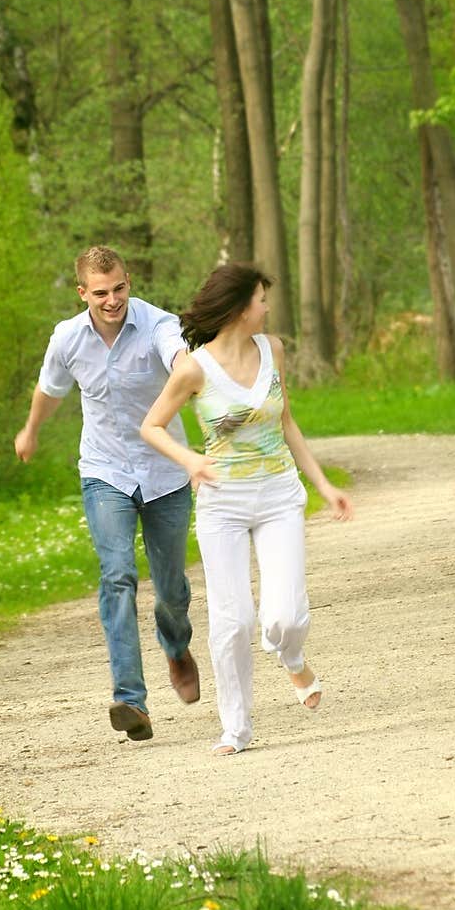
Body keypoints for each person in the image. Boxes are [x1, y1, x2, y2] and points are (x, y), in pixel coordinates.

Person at [140, 262, 353, 754]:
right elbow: (152, 426)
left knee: (285, 617)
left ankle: (292, 657)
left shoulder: (272, 349)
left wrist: (323, 485)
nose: (267, 307)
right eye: (261, 299)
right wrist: (190, 458)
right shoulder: (194, 367)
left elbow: (289, 425)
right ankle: (236, 729)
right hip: (223, 505)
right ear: (239, 309)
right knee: (233, 621)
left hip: (279, 494)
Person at [14, 245, 199, 744]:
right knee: (117, 574)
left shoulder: (160, 324)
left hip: (165, 473)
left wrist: (189, 368)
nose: (112, 299)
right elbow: (49, 389)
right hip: (104, 471)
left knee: (169, 589)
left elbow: (179, 361)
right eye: (100, 292)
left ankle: (177, 646)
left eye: (119, 288)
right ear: (82, 293)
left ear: (128, 281)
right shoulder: (67, 338)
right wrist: (31, 430)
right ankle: (131, 701)